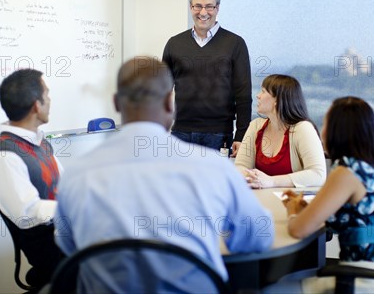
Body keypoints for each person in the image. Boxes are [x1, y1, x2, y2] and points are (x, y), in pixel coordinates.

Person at [54, 57, 274, 293]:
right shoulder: (213, 167)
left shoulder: (76, 174)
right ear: (171, 103)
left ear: (116, 104)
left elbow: (69, 245)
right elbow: (257, 237)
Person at [281, 97, 374, 293]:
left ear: (338, 132)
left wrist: (292, 211)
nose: (322, 131)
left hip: (369, 281)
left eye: (326, 123)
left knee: (273, 288)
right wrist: (310, 211)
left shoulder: (347, 172)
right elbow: (355, 219)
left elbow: (298, 231)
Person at [0, 69, 64, 288]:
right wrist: (73, 208)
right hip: (53, 252)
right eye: (47, 95)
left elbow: (63, 185)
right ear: (37, 105)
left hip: (66, 236)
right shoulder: (6, 157)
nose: (49, 100)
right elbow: (28, 213)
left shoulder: (40, 144)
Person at [162, 0, 252, 157]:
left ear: (217, 8)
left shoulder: (235, 44)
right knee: (180, 185)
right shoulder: (174, 43)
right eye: (198, 6)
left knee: (215, 185)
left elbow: (243, 94)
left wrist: (241, 135)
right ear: (190, 7)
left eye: (209, 6)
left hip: (219, 135)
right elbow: (161, 91)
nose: (203, 12)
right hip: (180, 133)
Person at [235, 74, 327, 188]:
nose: (258, 96)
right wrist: (252, 177)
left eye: (263, 91)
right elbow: (240, 166)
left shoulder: (303, 128)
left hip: (291, 202)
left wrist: (271, 181)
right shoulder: (255, 126)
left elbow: (318, 175)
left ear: (277, 100)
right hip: (260, 201)